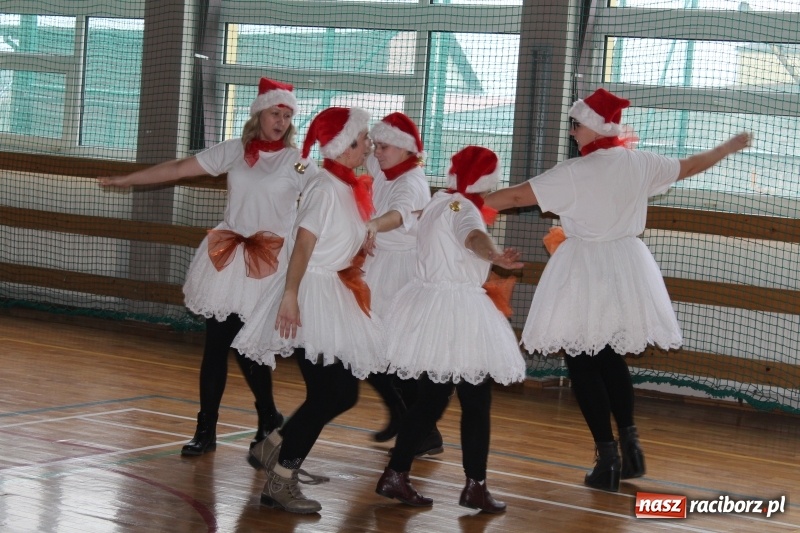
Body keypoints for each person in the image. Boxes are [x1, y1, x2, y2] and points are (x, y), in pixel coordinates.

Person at [484, 88, 752, 492]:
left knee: (581, 359)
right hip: (627, 266)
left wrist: (457, 205)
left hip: (584, 269)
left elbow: (515, 196)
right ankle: (631, 445)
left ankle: (607, 457)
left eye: (575, 125)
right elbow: (691, 165)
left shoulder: (574, 172)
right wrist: (727, 147)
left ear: (591, 126)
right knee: (608, 356)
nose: (572, 133)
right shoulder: (640, 163)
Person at [99, 77, 317, 456]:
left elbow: (325, 200)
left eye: (286, 115)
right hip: (229, 254)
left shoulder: (298, 162)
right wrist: (128, 180)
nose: (280, 121)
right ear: (258, 115)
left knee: (248, 349)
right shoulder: (235, 151)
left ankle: (268, 415)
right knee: (216, 346)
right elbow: (181, 167)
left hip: (269, 260)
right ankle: (206, 430)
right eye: (274, 113)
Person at [231, 106, 385, 514]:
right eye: (360, 139)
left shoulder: (347, 187)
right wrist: (290, 295)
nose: (367, 143)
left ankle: (274, 447)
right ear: (341, 147)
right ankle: (280, 479)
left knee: (339, 393)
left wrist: (360, 242)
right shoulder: (325, 187)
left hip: (330, 291)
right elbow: (303, 243)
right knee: (331, 393)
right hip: (313, 294)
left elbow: (338, 237)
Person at [374, 146, 526, 513]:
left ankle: (398, 473)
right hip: (456, 310)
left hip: (430, 305)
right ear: (485, 179)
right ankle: (474, 486)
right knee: (473, 402)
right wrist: (494, 256)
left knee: (433, 399)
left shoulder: (440, 200)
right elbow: (471, 235)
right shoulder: (463, 208)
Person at [362, 112, 442, 455]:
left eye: (384, 146)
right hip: (377, 264)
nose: (376, 152)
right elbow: (357, 153)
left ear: (406, 150)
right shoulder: (384, 167)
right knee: (368, 349)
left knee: (394, 356)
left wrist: (371, 227)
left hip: (399, 272)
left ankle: (420, 428)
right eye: (376, 145)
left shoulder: (411, 182)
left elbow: (398, 215)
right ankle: (406, 417)